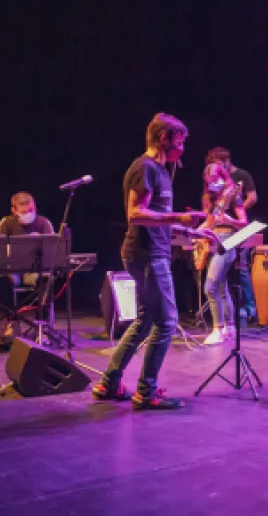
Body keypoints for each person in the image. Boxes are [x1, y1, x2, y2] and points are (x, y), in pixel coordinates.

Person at [91, 113, 218, 410]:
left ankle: (109, 383)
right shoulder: (144, 168)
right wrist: (177, 217)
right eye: (180, 141)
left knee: (145, 320)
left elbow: (158, 219)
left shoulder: (161, 171)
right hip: (147, 255)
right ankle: (145, 391)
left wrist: (191, 230)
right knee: (167, 321)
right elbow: (135, 214)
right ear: (164, 138)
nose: (183, 148)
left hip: (153, 252)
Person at [206, 147, 259, 324]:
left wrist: (234, 211)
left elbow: (252, 197)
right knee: (221, 280)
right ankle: (229, 320)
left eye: (219, 165)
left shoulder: (241, 175)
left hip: (236, 229)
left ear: (227, 161)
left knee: (241, 267)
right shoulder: (215, 185)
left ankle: (250, 308)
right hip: (220, 230)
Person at [0, 192, 57, 335]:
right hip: (12, 269)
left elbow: (53, 250)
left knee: (46, 279)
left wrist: (41, 242)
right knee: (2, 279)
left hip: (34, 269)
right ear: (14, 210)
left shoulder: (43, 223)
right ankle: (12, 322)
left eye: (31, 210)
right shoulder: (6, 223)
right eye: (24, 211)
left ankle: (41, 325)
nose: (29, 214)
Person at [199, 162, 248, 345]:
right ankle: (230, 327)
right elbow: (209, 221)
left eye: (215, 179)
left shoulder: (232, 196)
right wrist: (195, 234)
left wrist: (229, 220)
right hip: (211, 239)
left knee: (210, 287)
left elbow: (244, 222)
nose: (212, 184)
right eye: (209, 181)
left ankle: (217, 329)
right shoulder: (209, 198)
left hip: (226, 240)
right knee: (221, 287)